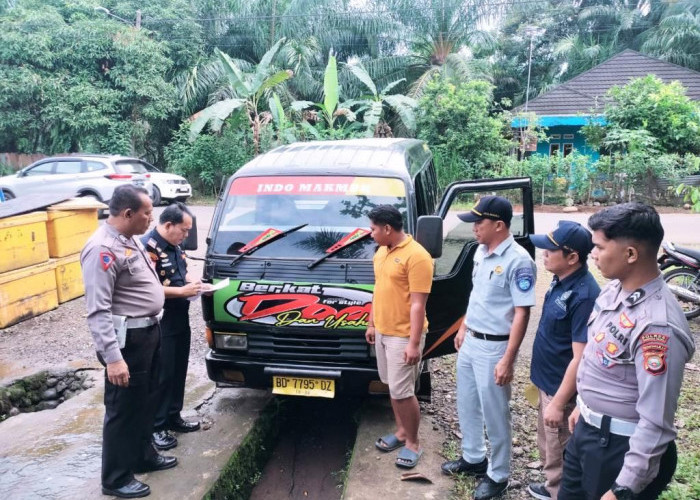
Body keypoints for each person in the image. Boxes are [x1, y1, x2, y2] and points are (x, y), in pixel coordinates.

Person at [559, 203, 695, 500]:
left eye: (599, 247)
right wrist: (585, 406)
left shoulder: (657, 327)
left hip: (619, 447)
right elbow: (599, 358)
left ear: (631, 254)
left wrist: (623, 489)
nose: (591, 254)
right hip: (589, 432)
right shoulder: (614, 290)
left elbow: (656, 422)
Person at [81, 185, 177, 499]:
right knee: (122, 408)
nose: (152, 218)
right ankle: (116, 477)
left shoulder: (128, 240)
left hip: (148, 331)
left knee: (146, 400)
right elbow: (98, 309)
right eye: (147, 212)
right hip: (127, 341)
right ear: (128, 214)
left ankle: (142, 456)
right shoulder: (102, 249)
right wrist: (113, 358)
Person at [441, 195, 537, 500]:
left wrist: (508, 360)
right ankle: (473, 457)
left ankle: (499, 475)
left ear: (499, 225)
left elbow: (522, 312)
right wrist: (464, 326)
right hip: (471, 341)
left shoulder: (519, 261)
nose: (474, 229)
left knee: (495, 413)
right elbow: (477, 294)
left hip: (496, 347)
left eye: (478, 223)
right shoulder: (481, 252)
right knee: (466, 402)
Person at [526, 221, 600, 500]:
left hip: (562, 391)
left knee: (561, 450)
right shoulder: (561, 280)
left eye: (550, 249)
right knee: (548, 444)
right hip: (548, 383)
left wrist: (558, 403)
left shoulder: (584, 296)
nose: (543, 252)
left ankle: (559, 492)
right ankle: (550, 486)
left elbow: (580, 357)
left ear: (572, 257)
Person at [365, 205, 433, 469]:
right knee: (393, 387)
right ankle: (402, 431)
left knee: (404, 392)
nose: (370, 235)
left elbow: (418, 304)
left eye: (373, 229)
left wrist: (414, 343)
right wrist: (372, 324)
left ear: (387, 229)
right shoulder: (382, 252)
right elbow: (379, 289)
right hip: (383, 331)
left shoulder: (418, 257)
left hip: (404, 336)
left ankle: (413, 443)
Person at [141, 203, 202, 451]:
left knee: (178, 368)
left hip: (180, 314)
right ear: (169, 225)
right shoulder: (147, 247)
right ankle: (157, 426)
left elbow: (181, 271)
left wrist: (193, 284)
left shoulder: (175, 245)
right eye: (184, 230)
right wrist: (181, 290)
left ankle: (173, 416)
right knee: (162, 374)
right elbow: (147, 288)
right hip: (161, 318)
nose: (186, 235)